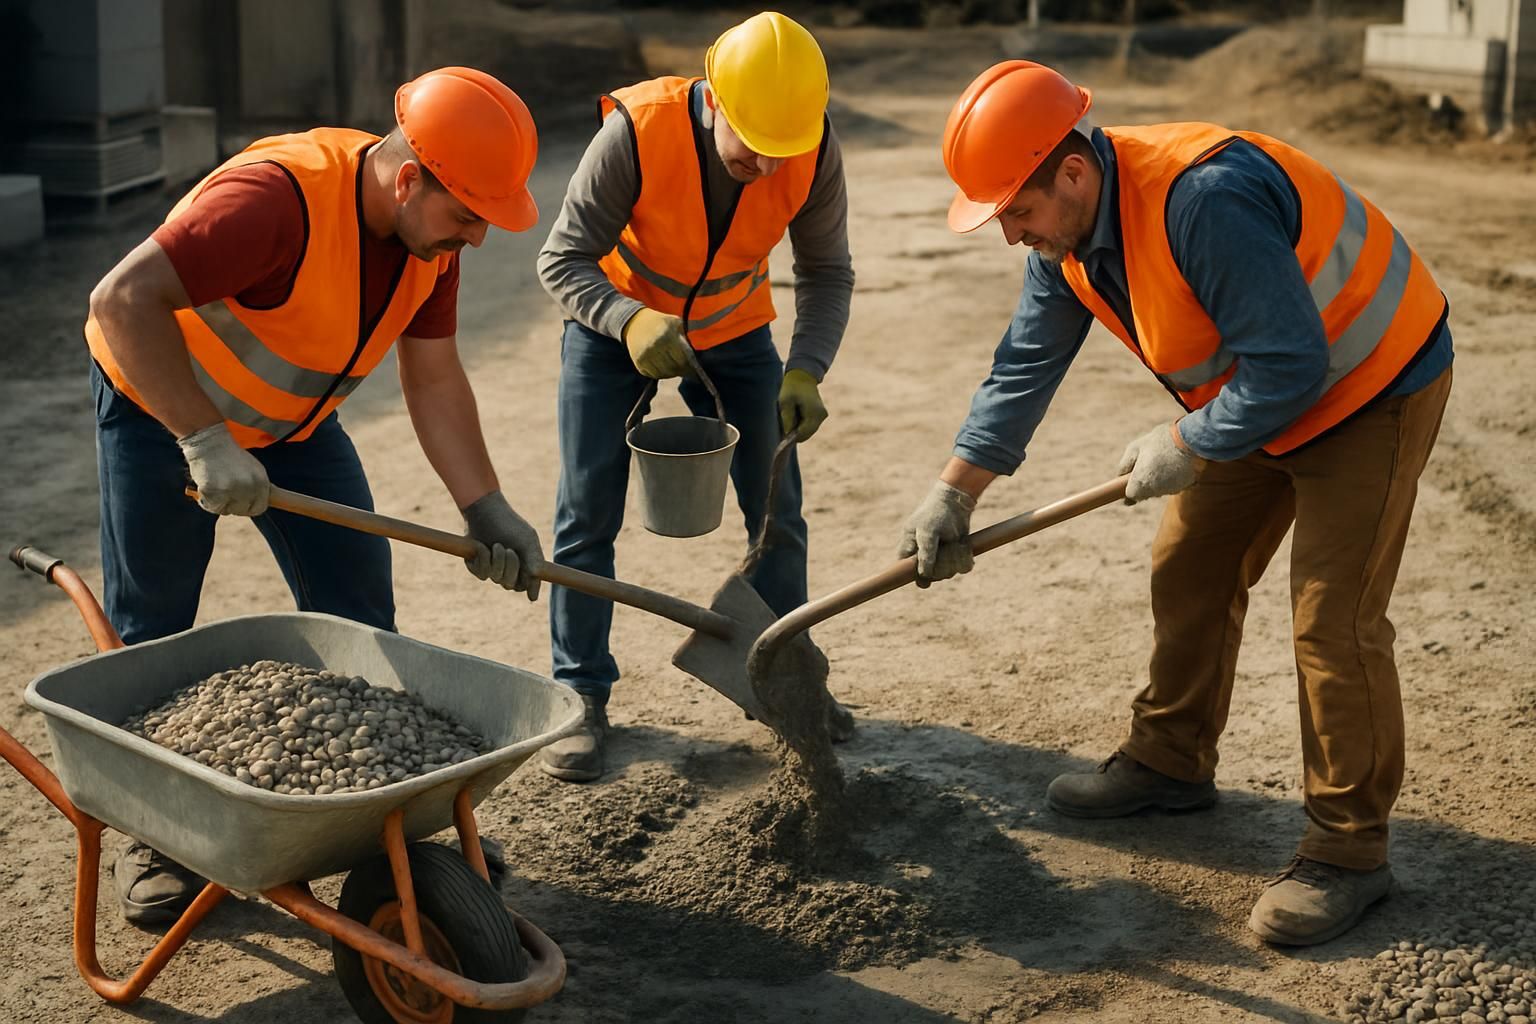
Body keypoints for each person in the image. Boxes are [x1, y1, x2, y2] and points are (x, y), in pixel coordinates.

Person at [899, 60, 1452, 946]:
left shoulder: (1202, 200)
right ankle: (1171, 762)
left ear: (1073, 171)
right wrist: (953, 490)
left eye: (1017, 211)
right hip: (1258, 393)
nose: (1011, 235)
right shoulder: (1066, 240)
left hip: (1368, 384)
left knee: (1332, 620)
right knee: (1188, 564)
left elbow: (1293, 366)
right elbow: (1025, 364)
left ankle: (1349, 853)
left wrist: (1189, 440)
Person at [85, 67, 548, 926]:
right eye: (467, 215)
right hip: (164, 410)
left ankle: (383, 814)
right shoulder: (271, 201)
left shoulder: (426, 242)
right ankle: (152, 831)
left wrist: (484, 504)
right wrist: (200, 436)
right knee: (153, 628)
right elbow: (121, 300)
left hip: (293, 426)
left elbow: (435, 374)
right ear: (409, 178)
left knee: (361, 615)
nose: (478, 238)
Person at [536, 11, 856, 782]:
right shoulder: (638, 132)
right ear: (713, 100)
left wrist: (806, 367)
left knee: (778, 512)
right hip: (617, 325)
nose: (766, 165)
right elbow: (562, 257)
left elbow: (826, 272)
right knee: (587, 513)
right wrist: (626, 319)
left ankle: (789, 688)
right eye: (753, 144)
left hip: (737, 329)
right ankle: (580, 696)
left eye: (783, 150)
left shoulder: (809, 149)